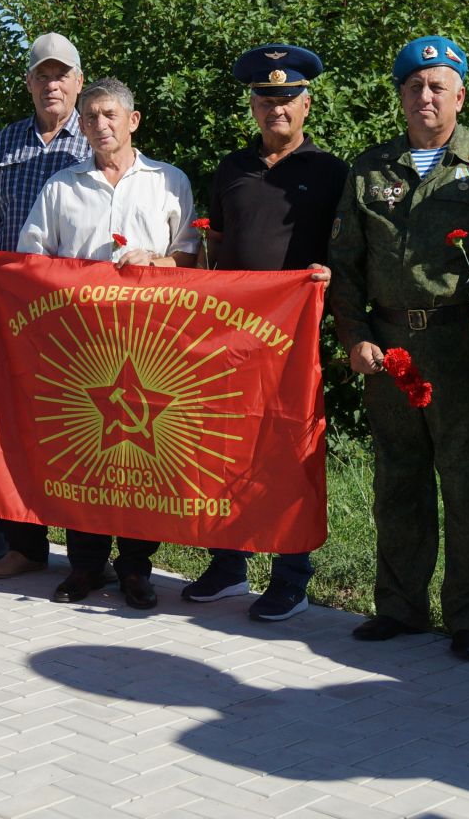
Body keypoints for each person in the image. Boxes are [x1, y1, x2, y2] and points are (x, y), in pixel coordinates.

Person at [326, 36, 469, 661]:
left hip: (461, 348)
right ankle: (401, 607)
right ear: (401, 96)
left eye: (438, 85)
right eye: (414, 86)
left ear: (460, 95)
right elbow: (345, 265)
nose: (425, 96)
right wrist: (354, 336)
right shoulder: (369, 169)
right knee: (398, 482)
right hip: (389, 350)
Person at [17, 77, 199, 609]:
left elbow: (192, 259)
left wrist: (154, 261)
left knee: (142, 459)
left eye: (110, 116)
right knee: (84, 456)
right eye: (91, 116)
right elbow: (32, 259)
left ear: (132, 120)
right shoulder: (61, 187)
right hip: (81, 346)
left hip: (151, 346)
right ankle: (86, 566)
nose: (100, 125)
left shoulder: (168, 183)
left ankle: (137, 569)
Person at [180, 44, 344, 622]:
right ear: (253, 104)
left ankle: (291, 573)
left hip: (293, 338)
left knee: (288, 451)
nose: (277, 107)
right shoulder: (232, 168)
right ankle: (228, 565)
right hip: (231, 338)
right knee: (225, 446)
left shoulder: (330, 171)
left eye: (288, 98)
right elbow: (218, 246)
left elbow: (346, 252)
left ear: (306, 104)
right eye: (266, 97)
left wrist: (329, 276)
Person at [0, 33, 93, 577]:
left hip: (75, 313)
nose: (52, 84)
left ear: (79, 83)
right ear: (29, 83)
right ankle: (25, 543)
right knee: (17, 424)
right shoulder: (7, 141)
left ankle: (86, 551)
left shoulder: (94, 137)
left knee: (80, 426)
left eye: (62, 75)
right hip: (16, 312)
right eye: (42, 74)